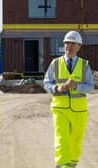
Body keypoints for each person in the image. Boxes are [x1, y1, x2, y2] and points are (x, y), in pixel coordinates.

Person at [43, 31, 94, 168]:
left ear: (79, 47)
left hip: (79, 110)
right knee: (61, 139)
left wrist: (77, 86)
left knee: (76, 140)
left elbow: (91, 87)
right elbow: (46, 83)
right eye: (67, 43)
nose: (69, 46)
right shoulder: (55, 63)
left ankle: (71, 164)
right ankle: (62, 165)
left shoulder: (84, 65)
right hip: (60, 108)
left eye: (73, 43)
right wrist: (57, 88)